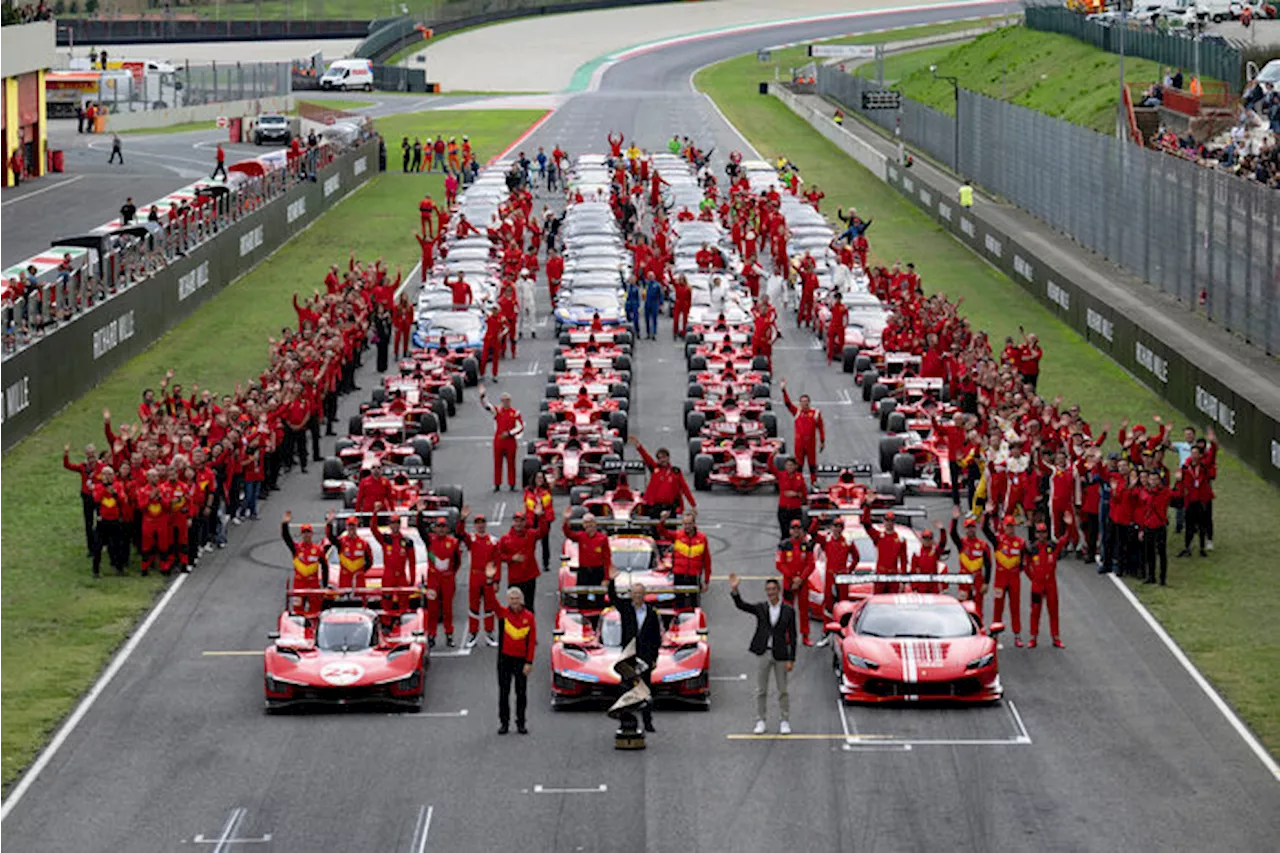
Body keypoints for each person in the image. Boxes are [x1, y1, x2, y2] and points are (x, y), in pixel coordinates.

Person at [730, 573, 797, 735]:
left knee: (783, 690)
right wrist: (735, 589)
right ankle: (760, 720)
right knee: (761, 690)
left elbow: (793, 636)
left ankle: (784, 720)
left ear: (779, 591)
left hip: (781, 655)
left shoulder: (788, 611)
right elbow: (742, 605)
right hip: (764, 653)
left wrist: (791, 659)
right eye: (768, 589)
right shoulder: (761, 608)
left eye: (773, 589)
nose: (771, 592)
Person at [606, 561, 662, 733]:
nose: (637, 596)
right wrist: (611, 581)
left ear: (644, 595)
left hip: (645, 656)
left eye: (640, 593)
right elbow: (613, 597)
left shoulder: (652, 613)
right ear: (631, 595)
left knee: (645, 690)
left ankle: (647, 721)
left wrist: (654, 658)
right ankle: (625, 720)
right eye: (635, 593)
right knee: (626, 687)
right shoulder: (625, 609)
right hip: (628, 657)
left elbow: (656, 638)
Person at [483, 563, 536, 735]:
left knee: (521, 694)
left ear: (521, 600)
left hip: (521, 661)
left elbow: (532, 641)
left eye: (516, 598)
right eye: (511, 598)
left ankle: (521, 723)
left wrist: (529, 662)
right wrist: (490, 580)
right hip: (504, 659)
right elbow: (490, 600)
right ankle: (504, 723)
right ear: (508, 601)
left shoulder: (529, 617)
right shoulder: (503, 613)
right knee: (504, 693)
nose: (514, 601)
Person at [457, 505, 501, 647]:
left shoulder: (493, 541)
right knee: (473, 607)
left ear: (485, 525)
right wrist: (462, 519)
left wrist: (496, 580)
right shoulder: (471, 539)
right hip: (475, 576)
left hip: (487, 577)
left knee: (489, 606)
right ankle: (473, 634)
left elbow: (497, 562)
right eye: (478, 523)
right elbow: (459, 533)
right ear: (475, 525)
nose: (480, 526)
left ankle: (489, 633)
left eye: (482, 523)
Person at [1023, 518, 1071, 648]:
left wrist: (1068, 525)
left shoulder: (1052, 546)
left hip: (1051, 585)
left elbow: (1064, 539)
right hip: (1037, 585)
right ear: (1035, 534)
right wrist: (1032, 578)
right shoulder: (1032, 549)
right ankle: (1033, 637)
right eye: (1039, 532)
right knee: (1035, 612)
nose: (1041, 535)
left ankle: (1056, 637)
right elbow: (1025, 565)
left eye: (1043, 532)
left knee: (1053, 611)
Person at [982, 511, 1025, 647]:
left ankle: (1017, 635)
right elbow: (984, 529)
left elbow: (1024, 561)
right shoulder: (997, 540)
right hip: (1000, 580)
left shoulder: (1021, 542)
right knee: (998, 608)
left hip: (1014, 580)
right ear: (1003, 526)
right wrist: (986, 514)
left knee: (1015, 607)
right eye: (1008, 526)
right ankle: (995, 636)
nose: (1010, 529)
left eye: (1012, 526)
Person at [630, 436, 696, 516]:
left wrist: (693, 505)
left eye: (664, 457)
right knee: (654, 527)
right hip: (655, 507)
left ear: (668, 458)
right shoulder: (655, 469)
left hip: (670, 507)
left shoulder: (676, 472)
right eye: (660, 458)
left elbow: (685, 489)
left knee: (670, 527)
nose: (662, 460)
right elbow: (646, 458)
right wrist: (639, 447)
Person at [776, 518, 816, 646]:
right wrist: (793, 578)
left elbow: (811, 564)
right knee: (787, 610)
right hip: (789, 583)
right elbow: (779, 564)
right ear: (790, 531)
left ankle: (805, 636)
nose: (796, 531)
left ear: (802, 531)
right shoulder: (783, 545)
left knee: (804, 611)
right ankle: (787, 635)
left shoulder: (807, 545)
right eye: (793, 529)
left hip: (803, 583)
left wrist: (801, 579)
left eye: (798, 529)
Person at [498, 511, 549, 605]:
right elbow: (498, 556)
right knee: (514, 606)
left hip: (529, 576)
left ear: (525, 523)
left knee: (529, 605)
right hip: (514, 578)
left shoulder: (531, 534)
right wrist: (511, 558)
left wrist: (541, 516)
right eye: (516, 521)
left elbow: (543, 531)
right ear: (512, 522)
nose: (518, 524)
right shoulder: (505, 539)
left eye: (521, 521)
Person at [479, 385, 524, 491]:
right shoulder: (497, 411)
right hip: (499, 440)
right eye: (504, 401)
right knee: (497, 463)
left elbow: (520, 427)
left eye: (507, 400)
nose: (506, 402)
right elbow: (487, 406)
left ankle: (512, 484)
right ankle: (497, 484)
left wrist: (509, 433)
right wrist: (482, 397)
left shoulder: (515, 413)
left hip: (510, 440)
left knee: (511, 463)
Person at [655, 510, 711, 593]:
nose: (687, 526)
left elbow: (707, 561)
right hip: (679, 576)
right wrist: (662, 520)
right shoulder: (677, 535)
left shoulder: (702, 538)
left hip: (694, 576)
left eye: (689, 524)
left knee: (694, 604)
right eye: (685, 524)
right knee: (679, 604)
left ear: (694, 524)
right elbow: (661, 531)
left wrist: (706, 581)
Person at [781, 381, 825, 484]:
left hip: (810, 443)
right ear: (800, 403)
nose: (804, 403)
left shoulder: (815, 413)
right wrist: (783, 390)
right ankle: (799, 483)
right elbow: (788, 404)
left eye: (806, 401)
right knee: (799, 465)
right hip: (799, 444)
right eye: (802, 401)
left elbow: (821, 428)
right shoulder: (797, 412)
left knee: (812, 465)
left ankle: (814, 483)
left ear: (809, 402)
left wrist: (822, 441)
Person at [280, 511, 329, 590]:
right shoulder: (296, 548)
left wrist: (325, 585)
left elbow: (325, 567)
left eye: (308, 532)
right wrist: (284, 525)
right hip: (299, 586)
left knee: (316, 602)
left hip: (314, 586)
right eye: (304, 532)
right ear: (301, 534)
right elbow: (286, 538)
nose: (306, 535)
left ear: (312, 534)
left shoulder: (318, 549)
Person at [562, 508, 611, 586]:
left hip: (598, 572)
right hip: (583, 571)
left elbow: (607, 559)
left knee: (599, 596)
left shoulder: (603, 538)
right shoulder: (580, 536)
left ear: (595, 523)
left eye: (591, 522)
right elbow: (568, 534)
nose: (589, 525)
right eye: (586, 523)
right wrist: (566, 520)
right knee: (581, 596)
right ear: (583, 525)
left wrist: (606, 578)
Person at [326, 511, 372, 588]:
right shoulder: (341, 542)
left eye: (353, 525)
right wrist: (329, 524)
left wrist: (361, 571)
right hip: (345, 580)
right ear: (346, 527)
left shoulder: (364, 543)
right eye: (349, 525)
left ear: (356, 526)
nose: (351, 528)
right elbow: (330, 537)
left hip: (359, 580)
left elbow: (370, 561)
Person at [767, 455, 807, 537]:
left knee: (796, 534)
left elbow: (804, 493)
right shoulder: (781, 475)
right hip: (783, 509)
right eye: (787, 465)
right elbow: (770, 466)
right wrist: (773, 454)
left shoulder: (799, 477)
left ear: (795, 466)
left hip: (795, 510)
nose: (789, 467)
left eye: (791, 465)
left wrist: (796, 495)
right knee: (784, 532)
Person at [643, 276, 663, 340]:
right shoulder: (646, 284)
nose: (650, 277)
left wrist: (661, 304)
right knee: (647, 320)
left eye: (651, 276)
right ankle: (648, 333)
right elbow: (640, 278)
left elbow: (660, 295)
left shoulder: (657, 285)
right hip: (647, 303)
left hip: (654, 303)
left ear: (654, 277)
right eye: (649, 276)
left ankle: (654, 334)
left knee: (654, 319)